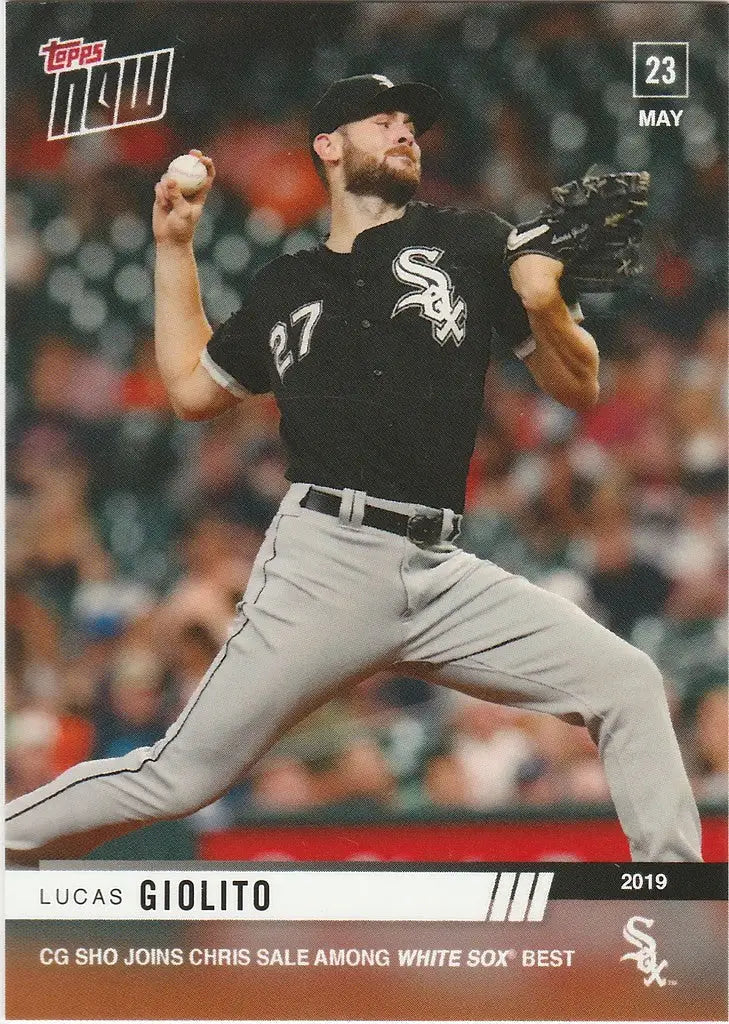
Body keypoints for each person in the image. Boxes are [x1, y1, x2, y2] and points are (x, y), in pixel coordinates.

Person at [6, 75, 702, 863]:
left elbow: (577, 385)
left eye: (411, 122)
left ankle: (671, 901)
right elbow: (193, 389)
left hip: (440, 571)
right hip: (323, 564)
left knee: (627, 682)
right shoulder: (287, 284)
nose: (405, 130)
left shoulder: (472, 244)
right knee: (179, 776)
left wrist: (544, 306)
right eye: (384, 119)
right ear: (329, 147)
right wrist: (173, 247)